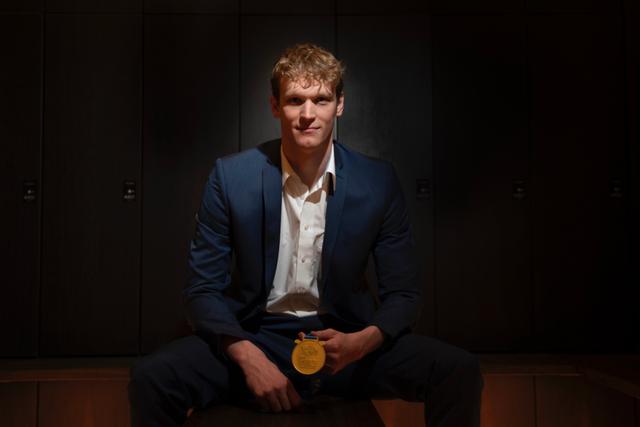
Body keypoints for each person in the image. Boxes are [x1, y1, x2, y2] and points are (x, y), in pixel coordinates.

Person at [129, 43, 483, 426]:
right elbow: (200, 291)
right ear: (275, 106)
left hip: (343, 342)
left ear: (340, 105)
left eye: (321, 100)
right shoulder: (231, 178)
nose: (308, 115)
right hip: (255, 334)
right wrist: (248, 356)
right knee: (152, 378)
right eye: (295, 100)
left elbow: (405, 295)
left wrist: (363, 341)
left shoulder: (377, 181)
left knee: (457, 370)